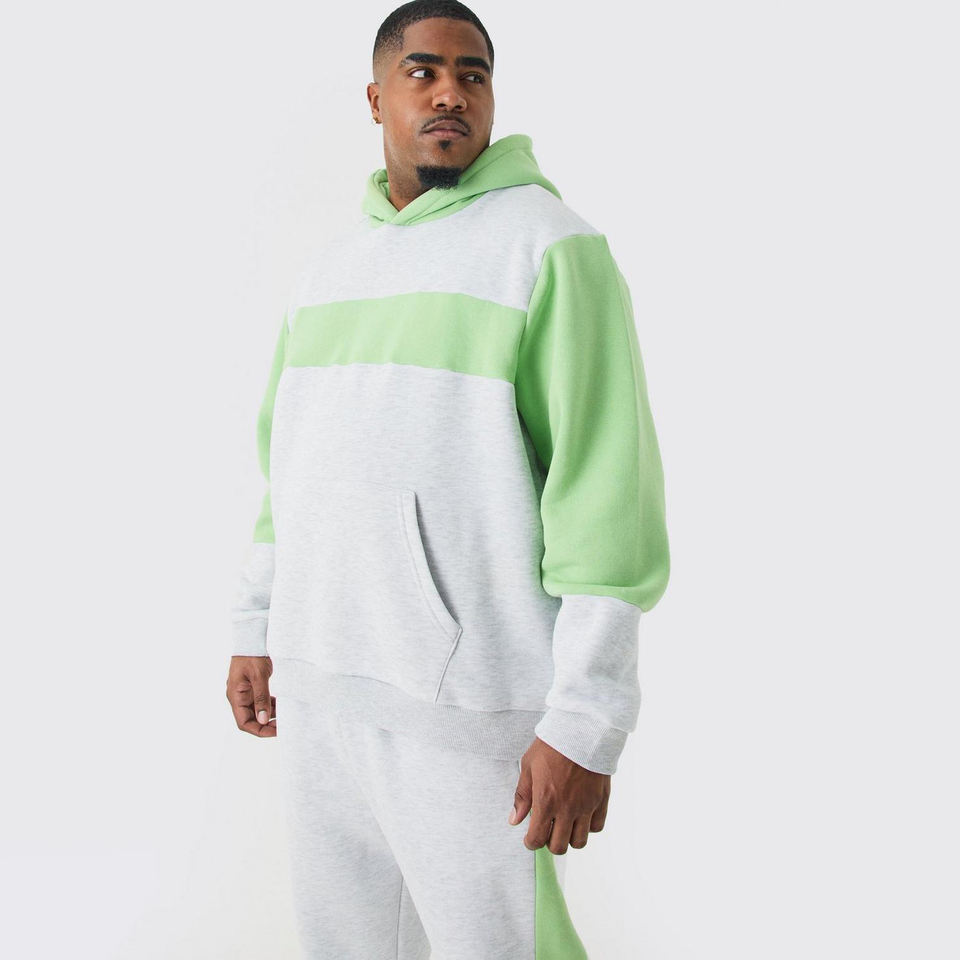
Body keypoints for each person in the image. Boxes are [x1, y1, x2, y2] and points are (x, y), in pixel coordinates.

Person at [225, 2, 670, 956]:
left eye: (473, 75)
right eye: (423, 72)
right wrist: (256, 626)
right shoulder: (328, 272)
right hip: (322, 692)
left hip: (472, 710)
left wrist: (588, 717)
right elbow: (285, 472)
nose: (450, 94)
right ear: (375, 97)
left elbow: (605, 495)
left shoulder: (549, 248)